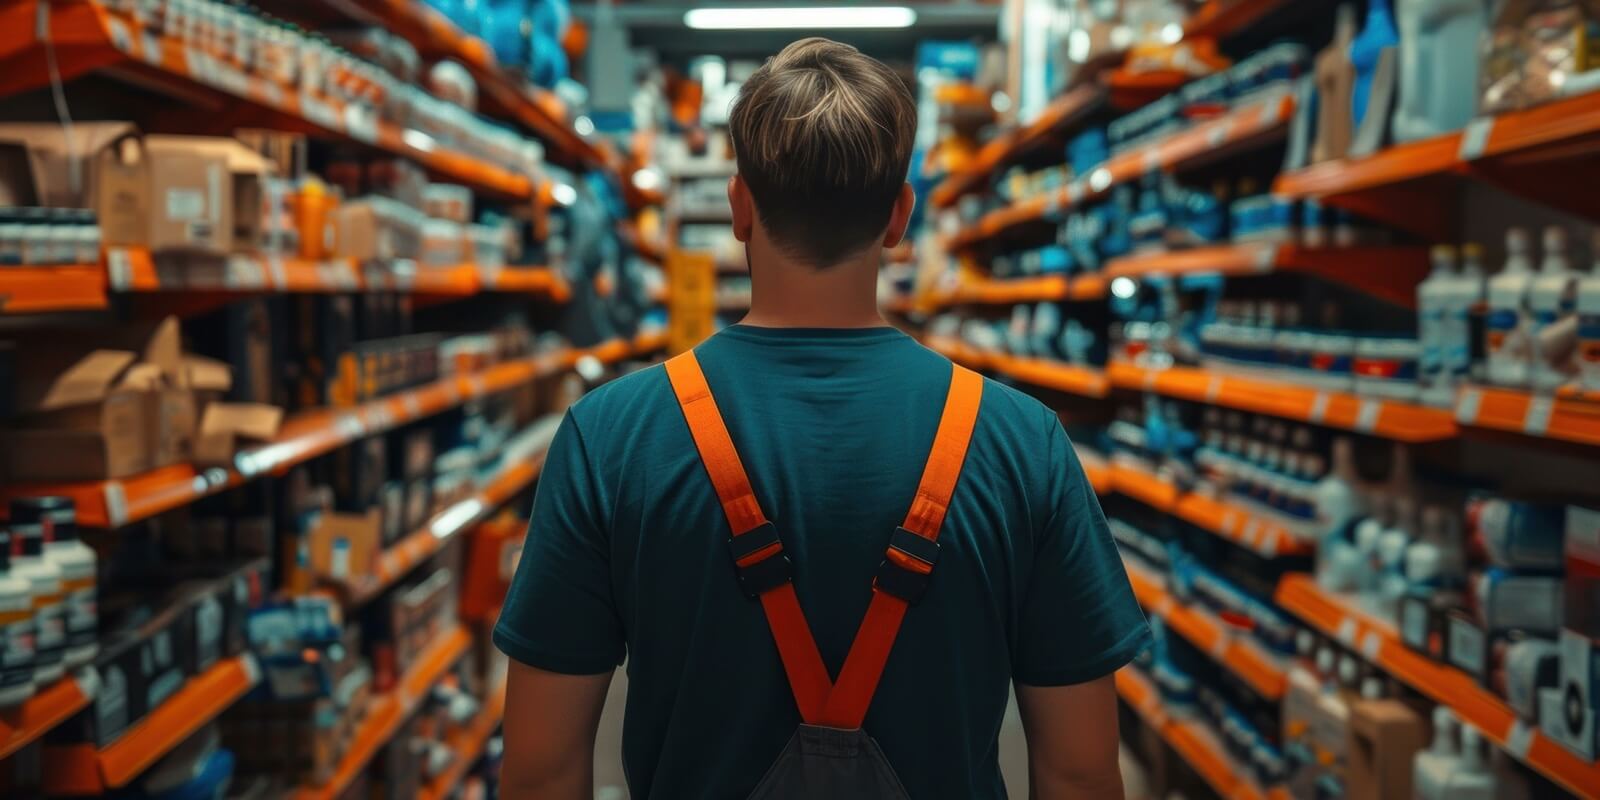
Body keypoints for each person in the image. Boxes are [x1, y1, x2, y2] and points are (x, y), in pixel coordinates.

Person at [494, 37, 1150, 799]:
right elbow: (1078, 771)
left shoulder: (609, 437)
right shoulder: (1021, 441)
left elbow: (540, 773)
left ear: (740, 207)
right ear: (900, 215)